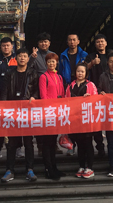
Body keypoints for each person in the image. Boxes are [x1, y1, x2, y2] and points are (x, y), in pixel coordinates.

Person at [0, 48, 39, 183]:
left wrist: (34, 97)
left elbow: (36, 90)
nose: (22, 58)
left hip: (27, 112)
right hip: (13, 112)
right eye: (20, 56)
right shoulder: (9, 73)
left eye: (24, 56)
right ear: (15, 58)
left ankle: (30, 169)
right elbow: (4, 92)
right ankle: (9, 170)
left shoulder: (33, 73)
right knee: (12, 143)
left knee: (28, 142)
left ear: (28, 59)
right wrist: (4, 108)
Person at [65, 63, 98, 179]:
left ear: (86, 73)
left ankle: (90, 167)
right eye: (78, 71)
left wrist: (90, 98)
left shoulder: (90, 85)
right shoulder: (70, 86)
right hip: (75, 119)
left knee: (88, 143)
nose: (80, 73)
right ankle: (81, 166)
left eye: (82, 71)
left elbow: (96, 100)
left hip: (87, 119)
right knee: (79, 144)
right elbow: (66, 101)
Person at [38, 52, 65, 181]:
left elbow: (62, 94)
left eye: (53, 61)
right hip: (48, 113)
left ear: (56, 63)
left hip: (57, 113)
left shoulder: (59, 77)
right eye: (49, 61)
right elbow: (43, 96)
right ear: (46, 63)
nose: (51, 63)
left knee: (53, 141)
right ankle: (48, 168)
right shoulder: (43, 77)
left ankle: (54, 167)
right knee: (47, 142)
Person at [85, 33, 111, 157]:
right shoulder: (90, 56)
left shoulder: (111, 55)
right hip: (95, 92)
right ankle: (100, 146)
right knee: (97, 121)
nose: (100, 43)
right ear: (95, 44)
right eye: (98, 42)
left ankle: (111, 146)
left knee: (111, 120)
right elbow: (82, 69)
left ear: (106, 43)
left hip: (110, 92)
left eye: (102, 41)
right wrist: (92, 63)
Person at [0, 37, 17, 159]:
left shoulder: (17, 58)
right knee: (0, 123)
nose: (6, 47)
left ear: (12, 46)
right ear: (0, 47)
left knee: (16, 122)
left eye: (8, 45)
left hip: (15, 96)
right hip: (0, 96)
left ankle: (18, 148)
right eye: (3, 46)